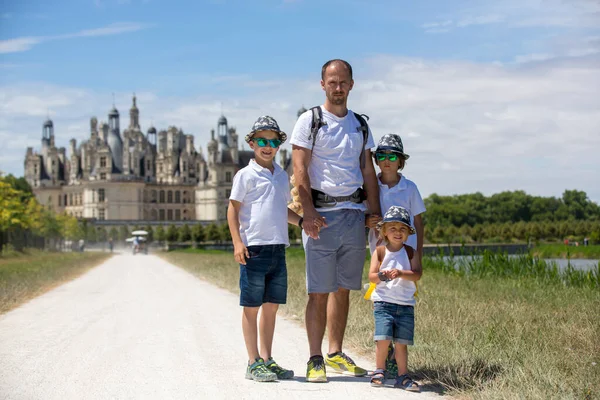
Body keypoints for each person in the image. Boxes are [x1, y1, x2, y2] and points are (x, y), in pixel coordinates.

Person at [291, 59, 381, 382]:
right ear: (322, 85)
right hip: (322, 217)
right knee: (318, 291)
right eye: (332, 82)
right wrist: (308, 213)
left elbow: (367, 170)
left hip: (354, 216)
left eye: (343, 82)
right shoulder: (309, 121)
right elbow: (300, 168)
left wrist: (374, 211)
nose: (338, 87)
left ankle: (335, 352)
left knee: (343, 289)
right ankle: (315, 358)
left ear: (352, 85)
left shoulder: (360, 125)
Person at [228, 115, 306, 382]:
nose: (267, 145)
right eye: (262, 140)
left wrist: (303, 222)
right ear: (252, 143)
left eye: (273, 141)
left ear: (279, 146)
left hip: (277, 249)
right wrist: (238, 242)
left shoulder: (282, 176)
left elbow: (283, 209)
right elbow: (232, 209)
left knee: (271, 307)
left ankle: (267, 358)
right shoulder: (245, 175)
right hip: (254, 250)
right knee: (252, 307)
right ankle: (252, 362)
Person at [368, 206, 422, 392]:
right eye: (393, 228)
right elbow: (372, 277)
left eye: (402, 229)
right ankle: (379, 370)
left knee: (401, 343)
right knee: (382, 339)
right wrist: (383, 276)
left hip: (405, 304)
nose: (397, 232)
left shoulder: (410, 252)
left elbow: (416, 274)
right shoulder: (380, 251)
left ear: (407, 233)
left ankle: (403, 375)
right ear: (384, 231)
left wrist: (400, 273)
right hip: (383, 303)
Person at [366, 133, 426, 259]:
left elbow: (418, 223)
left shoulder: (410, 188)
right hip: (380, 251)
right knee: (380, 278)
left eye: (392, 157)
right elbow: (360, 215)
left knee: (405, 278)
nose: (386, 161)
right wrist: (367, 221)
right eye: (382, 156)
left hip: (407, 251)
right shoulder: (369, 187)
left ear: (400, 161)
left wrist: (418, 255)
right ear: (376, 160)